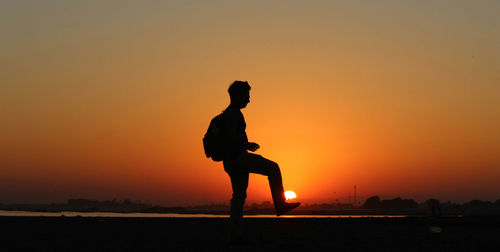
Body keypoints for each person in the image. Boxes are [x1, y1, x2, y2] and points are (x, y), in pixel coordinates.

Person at [221, 80, 300, 243]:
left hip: (230, 161)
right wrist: (246, 145)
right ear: (237, 96)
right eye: (247, 96)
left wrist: (245, 145)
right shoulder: (233, 114)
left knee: (239, 196)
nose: (249, 100)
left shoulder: (228, 114)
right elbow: (230, 138)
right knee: (273, 168)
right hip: (238, 158)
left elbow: (230, 138)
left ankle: (234, 234)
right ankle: (280, 204)